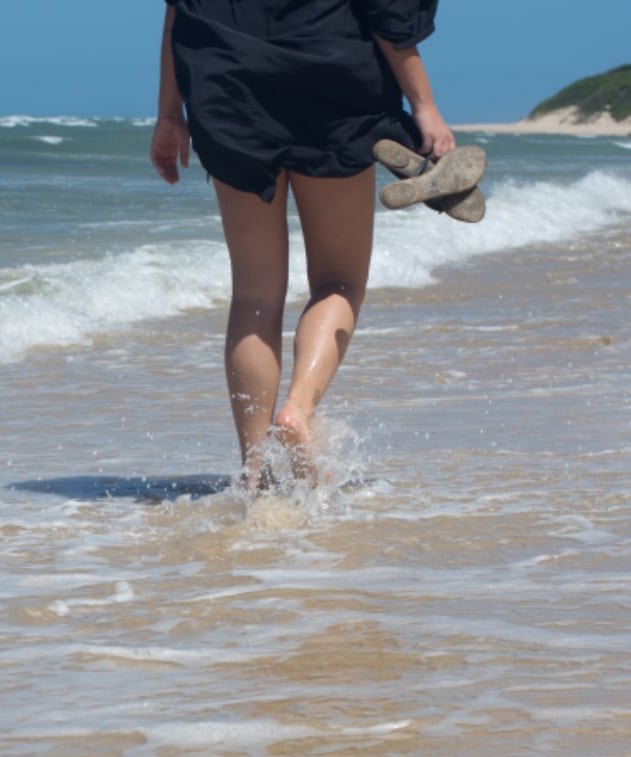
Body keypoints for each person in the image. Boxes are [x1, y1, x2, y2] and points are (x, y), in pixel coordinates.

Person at [149, 0, 455, 488]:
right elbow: (389, 12)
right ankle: (296, 412)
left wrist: (169, 114)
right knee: (339, 280)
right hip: (333, 88)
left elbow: (178, 10)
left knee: (254, 292)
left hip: (228, 88)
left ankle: (254, 474)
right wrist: (425, 108)